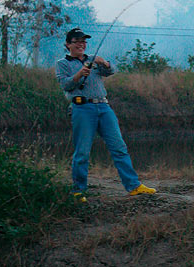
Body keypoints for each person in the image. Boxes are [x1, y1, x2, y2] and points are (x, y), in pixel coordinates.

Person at [55, 27, 156, 201]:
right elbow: (65, 85)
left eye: (83, 41)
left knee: (119, 147)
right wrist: (79, 74)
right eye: (77, 42)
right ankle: (78, 191)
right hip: (82, 109)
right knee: (82, 152)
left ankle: (133, 186)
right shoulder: (62, 64)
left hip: (103, 107)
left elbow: (111, 71)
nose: (81, 45)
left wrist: (105, 63)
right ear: (68, 44)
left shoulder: (93, 60)